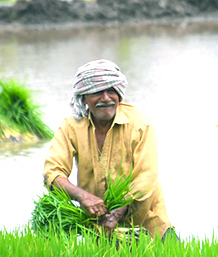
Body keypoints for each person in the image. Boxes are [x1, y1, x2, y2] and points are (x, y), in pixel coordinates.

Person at [43, 59, 174, 239]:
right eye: (97, 92)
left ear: (119, 94)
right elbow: (52, 173)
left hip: (147, 225)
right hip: (100, 228)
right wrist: (83, 197)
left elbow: (146, 177)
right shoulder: (71, 127)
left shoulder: (139, 124)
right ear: (84, 98)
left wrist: (119, 212)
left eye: (111, 90)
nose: (106, 98)